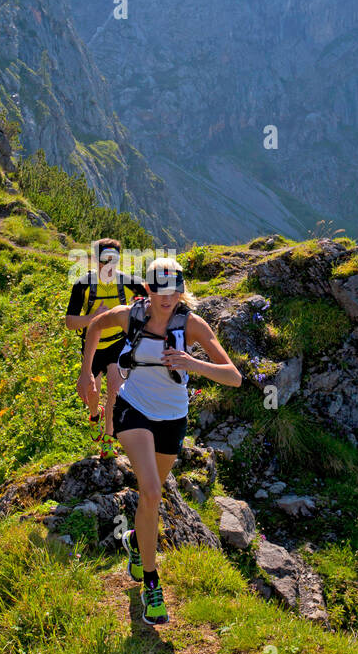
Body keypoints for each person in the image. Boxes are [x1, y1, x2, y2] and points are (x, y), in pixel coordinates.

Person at [77, 256, 241, 625]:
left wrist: (191, 363)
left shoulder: (192, 325)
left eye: (174, 290)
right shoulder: (131, 315)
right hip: (132, 409)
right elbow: (95, 326)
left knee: (156, 492)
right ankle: (152, 582)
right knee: (150, 492)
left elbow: (234, 377)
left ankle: (137, 542)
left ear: (182, 291)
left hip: (173, 418)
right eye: (159, 290)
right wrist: (86, 373)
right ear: (147, 289)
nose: (167, 298)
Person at [66, 239, 146, 455]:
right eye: (104, 259)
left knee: (115, 390)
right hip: (92, 345)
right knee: (92, 393)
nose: (109, 264)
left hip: (117, 344)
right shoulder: (82, 285)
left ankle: (109, 441)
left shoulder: (129, 282)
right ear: (95, 260)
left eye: (114, 259)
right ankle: (94, 414)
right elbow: (70, 322)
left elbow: (153, 300)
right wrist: (94, 317)